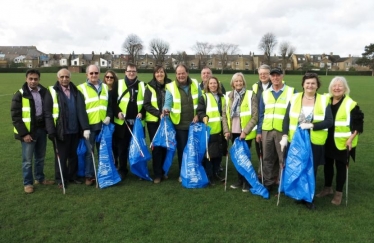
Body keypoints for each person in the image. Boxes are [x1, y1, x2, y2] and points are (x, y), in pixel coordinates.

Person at [282, 73, 333, 209]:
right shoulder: (294, 98)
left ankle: (309, 198)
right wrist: (284, 136)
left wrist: (312, 125)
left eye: (313, 83)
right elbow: (286, 118)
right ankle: (299, 194)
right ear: (303, 85)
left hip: (314, 140)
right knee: (298, 166)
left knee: (311, 168)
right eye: (307, 83)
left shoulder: (323, 100)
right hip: (296, 139)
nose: (310, 85)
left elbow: (329, 121)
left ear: (317, 86)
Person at [316, 76, 364, 206]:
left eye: (340, 86)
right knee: (327, 165)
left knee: (341, 167)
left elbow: (358, 125)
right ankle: (327, 188)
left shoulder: (351, 104)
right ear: (331, 88)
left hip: (343, 142)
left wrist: (350, 139)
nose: (337, 88)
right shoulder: (325, 99)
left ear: (345, 88)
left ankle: (338, 193)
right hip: (327, 140)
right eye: (334, 86)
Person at [45, 68, 90, 188]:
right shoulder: (52, 91)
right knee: (61, 156)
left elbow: (81, 110)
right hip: (60, 131)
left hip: (75, 129)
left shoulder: (76, 91)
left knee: (73, 155)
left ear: (70, 78)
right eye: (62, 77)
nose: (64, 79)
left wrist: (84, 127)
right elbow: (47, 113)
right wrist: (51, 130)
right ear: (58, 78)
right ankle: (61, 179)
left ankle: (72, 176)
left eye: (67, 77)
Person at [11, 69, 55, 193]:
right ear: (26, 79)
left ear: (39, 79)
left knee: (40, 157)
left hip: (41, 129)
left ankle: (40, 178)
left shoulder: (44, 92)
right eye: (31, 79)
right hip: (28, 132)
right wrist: (24, 134)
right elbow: (16, 116)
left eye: (35, 79)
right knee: (27, 160)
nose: (33, 81)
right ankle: (28, 183)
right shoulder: (19, 94)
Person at [256, 67, 295, 192]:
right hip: (266, 129)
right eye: (273, 76)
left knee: (282, 157)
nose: (275, 78)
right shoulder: (265, 93)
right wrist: (258, 131)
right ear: (270, 77)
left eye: (278, 75)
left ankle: (282, 182)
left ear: (282, 76)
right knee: (267, 158)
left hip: (282, 131)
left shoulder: (291, 92)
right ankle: (268, 181)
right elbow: (261, 114)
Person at [163, 64, 202, 182]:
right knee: (182, 150)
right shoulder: (170, 87)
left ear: (187, 73)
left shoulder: (195, 83)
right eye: (178, 73)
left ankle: (195, 171)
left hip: (195, 124)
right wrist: (165, 109)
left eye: (183, 73)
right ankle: (183, 173)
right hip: (180, 125)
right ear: (176, 75)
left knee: (195, 149)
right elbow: (168, 103)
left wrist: (198, 114)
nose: (181, 75)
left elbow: (201, 101)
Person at [77, 64, 113, 186]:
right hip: (89, 127)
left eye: (96, 73)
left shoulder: (105, 87)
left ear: (99, 74)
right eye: (91, 73)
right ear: (87, 74)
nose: (94, 75)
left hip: (103, 125)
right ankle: (89, 176)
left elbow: (109, 105)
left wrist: (109, 115)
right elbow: (80, 111)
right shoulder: (81, 88)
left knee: (103, 152)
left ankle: (102, 173)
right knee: (89, 152)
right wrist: (85, 128)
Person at [112, 63, 146, 179]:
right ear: (125, 72)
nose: (131, 73)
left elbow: (146, 103)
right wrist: (118, 113)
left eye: (133, 71)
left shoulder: (142, 85)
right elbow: (112, 102)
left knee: (138, 148)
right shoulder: (118, 84)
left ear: (136, 72)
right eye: (129, 71)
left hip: (137, 123)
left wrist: (142, 112)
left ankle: (138, 170)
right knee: (122, 148)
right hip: (122, 123)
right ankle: (122, 170)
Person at [226, 72, 258, 192]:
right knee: (237, 157)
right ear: (233, 83)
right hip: (233, 131)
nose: (238, 83)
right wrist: (226, 131)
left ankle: (247, 182)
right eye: (236, 81)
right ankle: (240, 180)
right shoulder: (228, 96)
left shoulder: (251, 95)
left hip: (245, 132)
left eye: (240, 81)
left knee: (245, 158)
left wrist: (245, 131)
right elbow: (225, 115)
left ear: (243, 82)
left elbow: (255, 116)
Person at [196, 76, 230, 185]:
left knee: (219, 155)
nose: (213, 85)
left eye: (215, 83)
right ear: (207, 85)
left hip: (221, 131)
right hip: (209, 131)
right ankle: (209, 176)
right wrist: (203, 116)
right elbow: (200, 111)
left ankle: (216, 174)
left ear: (218, 85)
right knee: (209, 156)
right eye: (211, 83)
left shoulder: (224, 98)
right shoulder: (204, 97)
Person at [144, 65, 172, 184]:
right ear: (154, 74)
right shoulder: (149, 86)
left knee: (166, 146)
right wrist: (158, 113)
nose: (159, 74)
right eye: (157, 72)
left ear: (165, 73)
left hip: (168, 120)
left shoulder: (171, 84)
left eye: (161, 72)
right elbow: (147, 104)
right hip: (154, 122)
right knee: (156, 148)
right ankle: (157, 174)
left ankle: (164, 171)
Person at [251, 64, 274, 180]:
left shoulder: (275, 85)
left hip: (271, 123)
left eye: (265, 73)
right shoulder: (255, 87)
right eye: (261, 74)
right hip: (258, 123)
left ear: (270, 74)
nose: (263, 75)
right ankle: (261, 171)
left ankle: (272, 174)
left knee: (270, 152)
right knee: (259, 149)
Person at [103, 70, 119, 168]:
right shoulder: (102, 89)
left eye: (111, 77)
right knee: (107, 143)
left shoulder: (117, 89)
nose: (109, 79)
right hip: (106, 119)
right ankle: (109, 162)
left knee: (116, 143)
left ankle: (116, 162)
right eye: (107, 77)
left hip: (116, 119)